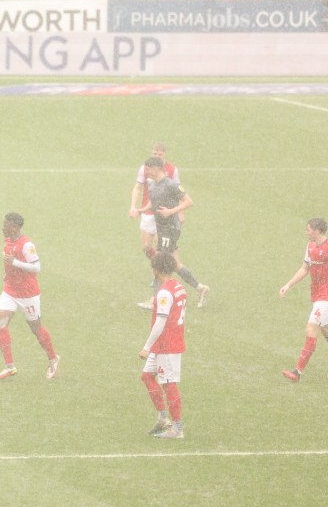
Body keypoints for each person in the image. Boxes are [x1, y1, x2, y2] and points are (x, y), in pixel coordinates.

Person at [279, 218, 328, 382]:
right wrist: (288, 285)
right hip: (317, 295)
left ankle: (297, 372)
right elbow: (304, 269)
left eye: (308, 229)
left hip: (327, 296)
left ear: (317, 230)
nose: (306, 232)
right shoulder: (309, 246)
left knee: (311, 329)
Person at [0, 212, 60, 381]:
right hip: (10, 290)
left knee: (36, 329)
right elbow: (8, 262)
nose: (2, 227)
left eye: (5, 225)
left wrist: (14, 262)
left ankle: (53, 359)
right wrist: (7, 274)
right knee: (0, 325)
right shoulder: (8, 241)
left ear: (14, 227)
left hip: (28, 294)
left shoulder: (26, 245)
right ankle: (10, 367)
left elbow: (36, 267)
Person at [138, 156, 211, 307]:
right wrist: (143, 210)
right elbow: (154, 201)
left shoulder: (172, 184)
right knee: (176, 265)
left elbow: (189, 201)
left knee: (159, 264)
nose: (147, 171)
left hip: (170, 228)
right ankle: (200, 288)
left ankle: (156, 300)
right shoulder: (151, 185)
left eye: (149, 168)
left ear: (157, 168)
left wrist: (171, 211)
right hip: (162, 228)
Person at [139, 251, 187, 439]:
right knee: (147, 376)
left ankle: (177, 428)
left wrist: (146, 346)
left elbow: (161, 322)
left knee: (169, 385)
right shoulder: (178, 287)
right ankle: (162, 418)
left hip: (167, 345)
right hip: (164, 344)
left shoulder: (165, 293)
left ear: (157, 269)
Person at [129, 144, 180, 307]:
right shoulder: (145, 168)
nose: (157, 155)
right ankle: (161, 270)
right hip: (148, 213)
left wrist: (178, 212)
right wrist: (134, 206)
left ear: (164, 154)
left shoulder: (172, 170)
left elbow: (178, 193)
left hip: (163, 216)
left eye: (159, 153)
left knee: (161, 253)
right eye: (154, 152)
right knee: (146, 247)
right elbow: (138, 186)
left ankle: (159, 289)